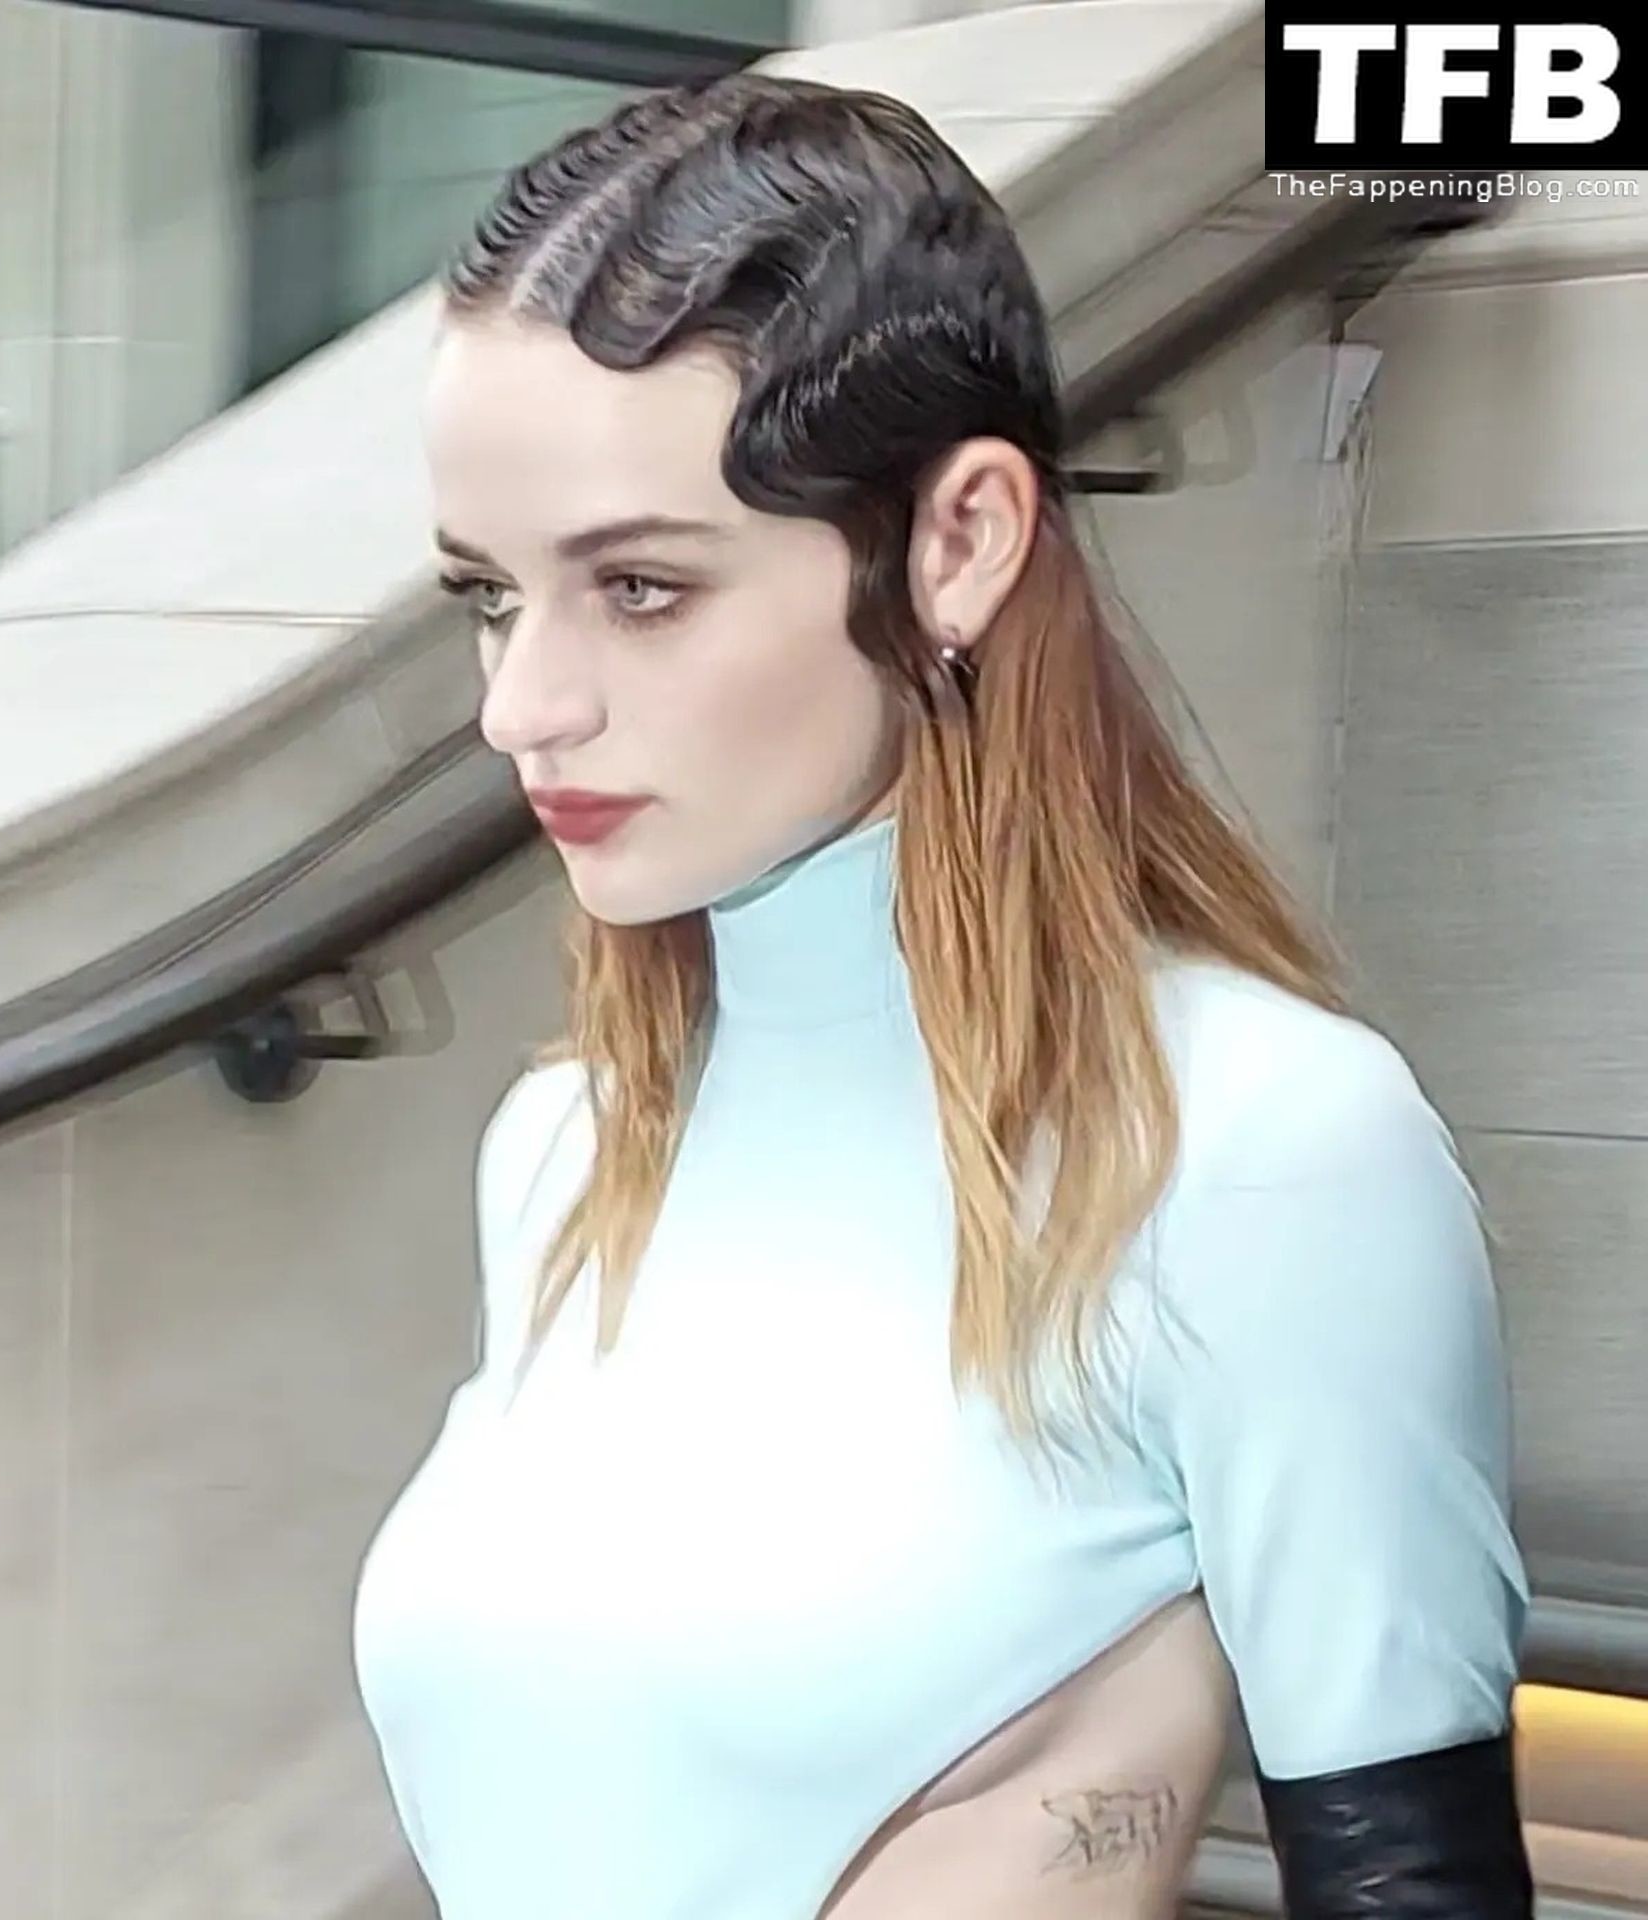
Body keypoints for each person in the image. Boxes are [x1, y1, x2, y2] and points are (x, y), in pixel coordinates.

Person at [352, 70, 1534, 1920]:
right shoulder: (565, 1152)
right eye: (489, 597)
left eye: (641, 588)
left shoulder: (1261, 1148)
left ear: (961, 537)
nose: (523, 706)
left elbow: (1416, 1885)